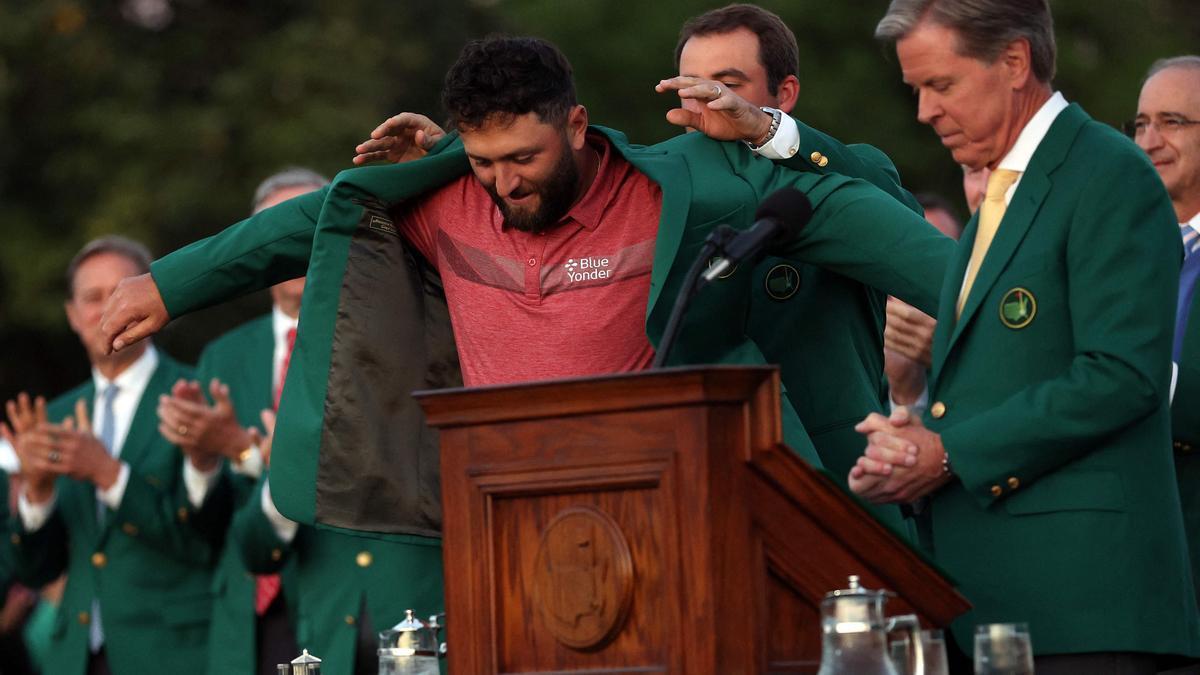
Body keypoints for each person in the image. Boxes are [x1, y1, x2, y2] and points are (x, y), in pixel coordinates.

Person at [96, 35, 952, 542]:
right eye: (482, 162)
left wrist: (771, 132)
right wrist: (170, 283)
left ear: (576, 125)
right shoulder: (449, 197)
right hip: (499, 524)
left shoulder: (676, 187)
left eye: (524, 159)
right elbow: (312, 220)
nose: (503, 185)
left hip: (676, 512)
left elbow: (854, 190)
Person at [354, 4, 926, 538]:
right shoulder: (664, 196)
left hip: (836, 472)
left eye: (726, 85)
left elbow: (900, 235)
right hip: (699, 481)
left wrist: (764, 132)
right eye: (689, 86)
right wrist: (455, 157)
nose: (706, 104)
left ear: (785, 93)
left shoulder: (840, 168)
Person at [850, 0, 1199, 669]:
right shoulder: (1003, 193)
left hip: (1084, 612)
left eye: (942, 85)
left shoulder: (1109, 173)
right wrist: (910, 444)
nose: (924, 112)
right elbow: (998, 379)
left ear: (1015, 62)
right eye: (916, 89)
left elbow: (1124, 374)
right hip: (997, 607)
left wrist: (948, 450)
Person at [1, 236, 230, 675]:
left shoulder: (194, 395)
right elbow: (34, 570)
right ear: (71, 314)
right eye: (92, 297)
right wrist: (36, 494)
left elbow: (208, 541)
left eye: (122, 291)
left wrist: (108, 474)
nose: (108, 308)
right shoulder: (53, 415)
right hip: (75, 656)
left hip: (173, 653)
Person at [156, 168, 329, 675]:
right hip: (242, 618)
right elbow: (204, 529)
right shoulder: (223, 356)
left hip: (328, 600)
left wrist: (247, 452)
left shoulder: (360, 341)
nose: (293, 249)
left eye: (306, 231)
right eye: (277, 236)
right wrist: (203, 462)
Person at [1134, 55, 1200, 613]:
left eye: (1173, 121)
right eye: (1139, 124)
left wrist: (1124, 374)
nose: (1149, 140)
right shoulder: (1121, 248)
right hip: (1128, 560)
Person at [883, 193, 962, 417]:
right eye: (912, 259)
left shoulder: (987, 338)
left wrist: (956, 357)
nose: (921, 277)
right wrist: (905, 387)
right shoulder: (863, 356)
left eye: (937, 260)